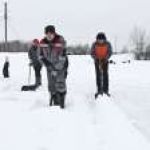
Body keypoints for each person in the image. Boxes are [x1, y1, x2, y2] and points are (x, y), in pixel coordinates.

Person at [40, 25, 68, 108]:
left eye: (51, 33)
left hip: (60, 66)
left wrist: (56, 69)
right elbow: (40, 56)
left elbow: (62, 57)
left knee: (60, 84)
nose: (49, 35)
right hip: (49, 67)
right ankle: (54, 98)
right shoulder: (42, 43)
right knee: (51, 85)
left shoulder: (60, 41)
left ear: (54, 33)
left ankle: (61, 99)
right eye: (47, 33)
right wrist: (48, 65)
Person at [91, 32, 112, 98]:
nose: (100, 41)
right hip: (97, 61)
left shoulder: (108, 44)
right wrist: (95, 58)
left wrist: (106, 58)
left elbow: (110, 52)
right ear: (97, 39)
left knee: (105, 75)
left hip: (105, 61)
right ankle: (99, 90)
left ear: (104, 39)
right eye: (99, 40)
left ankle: (105, 90)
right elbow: (92, 52)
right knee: (98, 75)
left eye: (101, 39)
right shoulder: (94, 44)